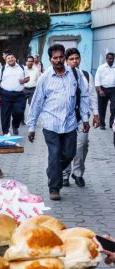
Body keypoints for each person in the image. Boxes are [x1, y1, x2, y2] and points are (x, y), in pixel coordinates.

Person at [27, 44, 90, 201]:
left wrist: (85, 118)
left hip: (70, 122)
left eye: (61, 57)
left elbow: (83, 96)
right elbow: (36, 103)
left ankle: (52, 171)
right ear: (50, 60)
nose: (59, 60)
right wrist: (32, 126)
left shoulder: (75, 74)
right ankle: (54, 188)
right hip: (50, 123)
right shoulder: (44, 78)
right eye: (55, 58)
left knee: (70, 153)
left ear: (64, 57)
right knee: (54, 154)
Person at [62, 48, 100, 188]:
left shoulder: (86, 75)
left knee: (82, 145)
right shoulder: (61, 75)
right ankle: (64, 175)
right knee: (65, 147)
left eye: (77, 58)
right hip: (64, 119)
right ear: (66, 61)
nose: (74, 61)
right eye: (71, 59)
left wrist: (96, 114)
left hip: (82, 118)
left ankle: (77, 173)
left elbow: (92, 96)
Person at [0, 52, 29, 136]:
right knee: (5, 114)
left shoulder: (22, 67)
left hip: (19, 95)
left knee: (19, 112)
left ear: (15, 58)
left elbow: (28, 77)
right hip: (5, 94)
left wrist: (24, 81)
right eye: (8, 58)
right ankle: (5, 132)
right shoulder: (2, 69)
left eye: (12, 57)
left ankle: (15, 126)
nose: (10, 59)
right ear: (6, 60)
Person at [95, 52, 115, 130]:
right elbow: (97, 79)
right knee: (102, 108)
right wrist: (100, 90)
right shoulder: (101, 67)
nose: (111, 60)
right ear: (106, 59)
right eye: (110, 58)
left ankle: (112, 123)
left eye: (113, 58)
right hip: (102, 89)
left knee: (114, 107)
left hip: (113, 89)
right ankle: (102, 124)